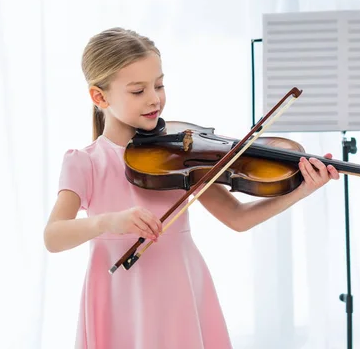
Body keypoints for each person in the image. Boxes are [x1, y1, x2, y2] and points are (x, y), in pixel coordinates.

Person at [43, 27, 340, 349]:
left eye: (159, 85)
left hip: (179, 288)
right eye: (137, 90)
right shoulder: (84, 162)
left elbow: (237, 217)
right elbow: (53, 236)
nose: (154, 98)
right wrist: (108, 222)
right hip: (119, 297)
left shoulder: (179, 154)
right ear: (100, 97)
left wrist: (302, 189)